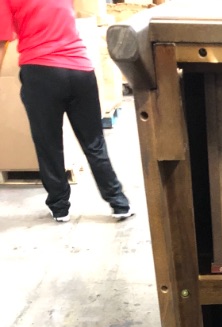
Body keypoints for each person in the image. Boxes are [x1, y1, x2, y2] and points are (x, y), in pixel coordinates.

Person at [0, 0, 132, 223]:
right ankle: (119, 202)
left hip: (41, 73)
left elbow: (3, 40)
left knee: (48, 145)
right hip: (80, 71)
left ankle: (60, 208)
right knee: (94, 143)